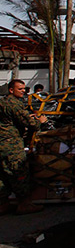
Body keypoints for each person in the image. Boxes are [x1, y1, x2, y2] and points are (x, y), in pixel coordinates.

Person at [0, 79, 47, 214]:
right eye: (20, 89)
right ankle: (24, 203)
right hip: (11, 144)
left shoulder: (3, 102)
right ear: (11, 90)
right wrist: (40, 122)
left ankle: (2, 203)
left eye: (24, 89)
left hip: (2, 143)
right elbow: (31, 124)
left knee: (3, 174)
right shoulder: (14, 104)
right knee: (19, 172)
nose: (23, 91)